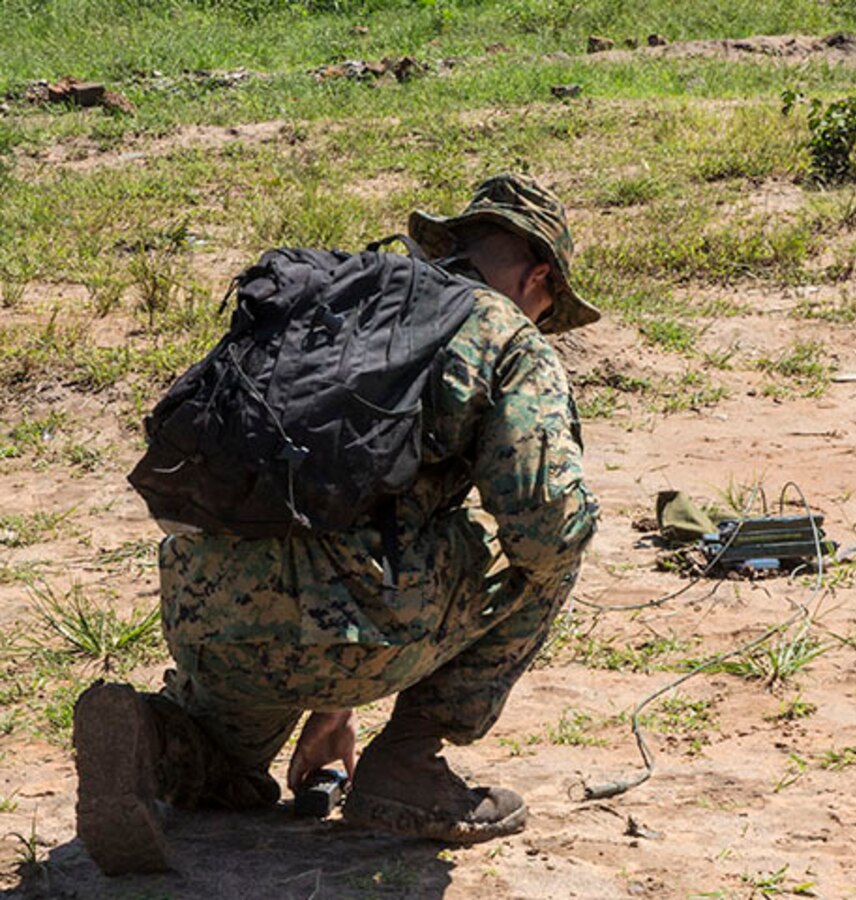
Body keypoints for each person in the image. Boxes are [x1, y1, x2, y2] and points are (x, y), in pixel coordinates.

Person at [73, 173, 600, 875]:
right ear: (539, 277)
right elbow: (548, 523)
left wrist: (332, 707)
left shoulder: (335, 295)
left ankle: (149, 740)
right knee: (545, 550)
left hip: (211, 609)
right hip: (362, 619)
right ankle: (410, 758)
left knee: (226, 762)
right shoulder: (503, 333)